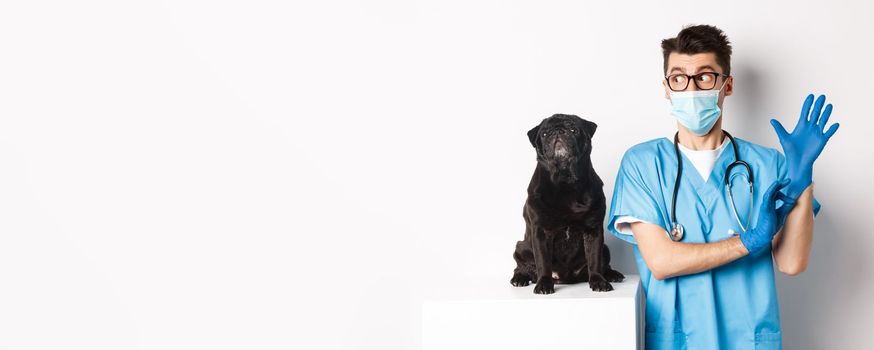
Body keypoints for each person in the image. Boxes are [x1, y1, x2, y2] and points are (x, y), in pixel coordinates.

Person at [607, 24, 839, 349]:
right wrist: (749, 242)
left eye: (704, 76)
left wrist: (803, 182)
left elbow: (791, 263)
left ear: (726, 85)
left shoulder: (767, 164)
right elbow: (661, 262)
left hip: (749, 339)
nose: (691, 88)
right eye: (678, 78)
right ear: (666, 87)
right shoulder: (643, 164)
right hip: (678, 341)